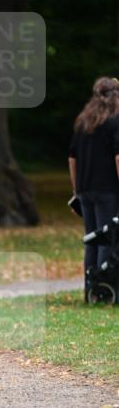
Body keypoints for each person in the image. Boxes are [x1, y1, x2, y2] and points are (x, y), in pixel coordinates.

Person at [68, 76, 119, 298]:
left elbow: (72, 158)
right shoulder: (115, 121)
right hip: (107, 189)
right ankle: (104, 290)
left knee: (91, 240)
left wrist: (76, 190)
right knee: (107, 239)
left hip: (85, 189)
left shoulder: (83, 122)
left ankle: (90, 286)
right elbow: (118, 158)